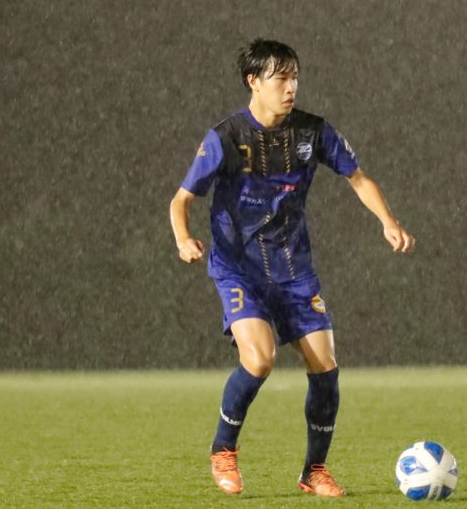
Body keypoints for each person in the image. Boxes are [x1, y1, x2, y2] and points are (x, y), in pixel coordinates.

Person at [169, 38, 414, 497]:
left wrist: (388, 221)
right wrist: (184, 239)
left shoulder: (312, 132)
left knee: (325, 366)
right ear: (253, 82)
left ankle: (314, 471)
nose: (291, 87)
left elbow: (358, 177)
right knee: (260, 359)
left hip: (292, 269)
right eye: (280, 78)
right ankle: (223, 449)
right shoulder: (226, 137)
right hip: (238, 267)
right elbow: (181, 201)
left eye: (295, 77)